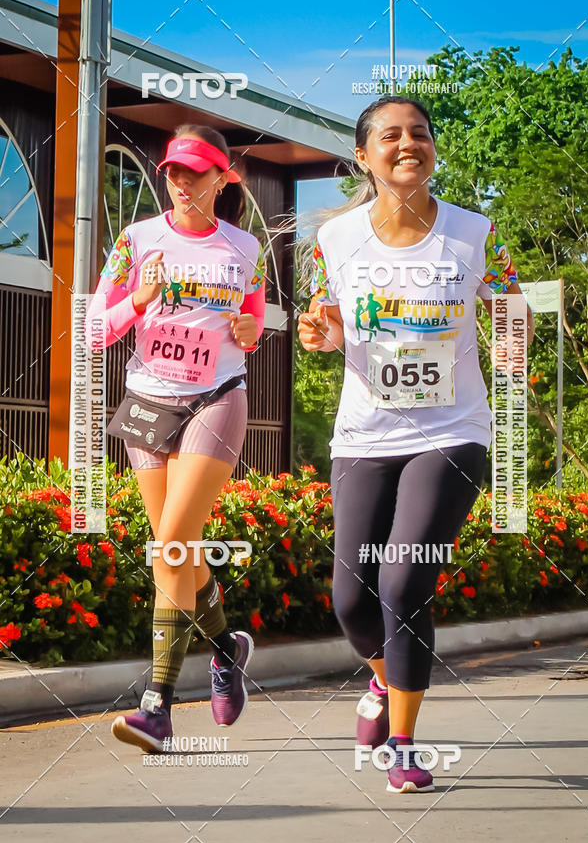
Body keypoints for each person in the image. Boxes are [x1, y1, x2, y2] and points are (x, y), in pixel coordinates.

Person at [297, 96, 534, 793]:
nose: (409, 145)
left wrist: (515, 365)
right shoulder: (335, 241)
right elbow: (329, 324)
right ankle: (379, 683)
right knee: (350, 599)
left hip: (452, 431)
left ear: (434, 150)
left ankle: (402, 743)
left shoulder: (475, 234)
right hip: (364, 434)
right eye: (391, 136)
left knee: (404, 580)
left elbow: (513, 312)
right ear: (365, 156)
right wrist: (323, 334)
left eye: (421, 134)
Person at [87, 124, 266, 752]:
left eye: (196, 171)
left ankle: (156, 705)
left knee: (170, 543)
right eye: (173, 172)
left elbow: (254, 325)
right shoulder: (135, 240)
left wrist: (249, 329)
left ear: (223, 178)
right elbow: (93, 331)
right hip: (148, 402)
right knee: (178, 551)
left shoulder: (247, 247)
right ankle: (226, 647)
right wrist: (138, 299)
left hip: (217, 396)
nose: (183, 182)